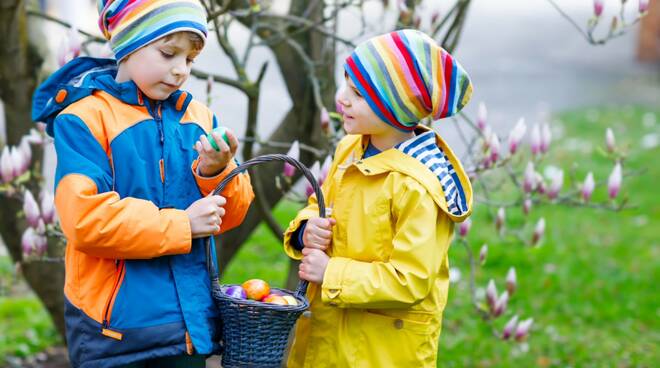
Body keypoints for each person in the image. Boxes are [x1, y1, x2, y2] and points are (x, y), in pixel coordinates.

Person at [31, 1, 254, 367]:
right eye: (168, 53)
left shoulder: (198, 118)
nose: (180, 70)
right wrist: (183, 224)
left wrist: (217, 171)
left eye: (190, 59)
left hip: (187, 329)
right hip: (116, 333)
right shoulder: (86, 119)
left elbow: (230, 214)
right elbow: (87, 221)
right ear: (128, 43)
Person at [283, 29, 474, 367]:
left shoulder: (416, 186)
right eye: (345, 84)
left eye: (357, 93)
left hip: (379, 351)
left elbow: (410, 279)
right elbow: (322, 205)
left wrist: (332, 273)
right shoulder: (352, 148)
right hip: (328, 338)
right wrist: (305, 229)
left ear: (394, 108)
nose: (341, 98)